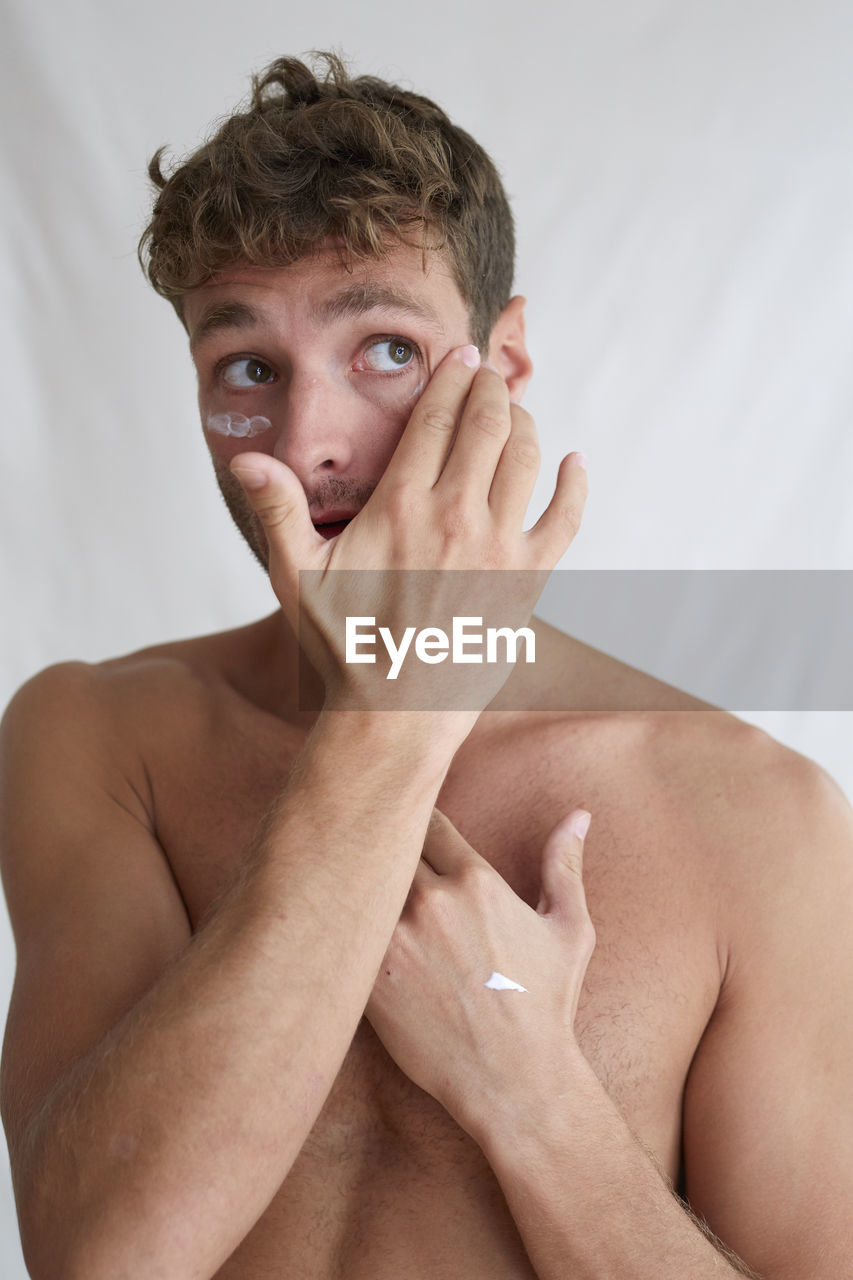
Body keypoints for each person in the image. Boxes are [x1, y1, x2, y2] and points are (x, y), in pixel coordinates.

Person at [1, 51, 851, 1280]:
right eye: (248, 368)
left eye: (385, 349)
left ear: (503, 364)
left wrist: (536, 1098)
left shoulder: (759, 816)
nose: (308, 442)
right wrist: (390, 717)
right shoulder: (97, 735)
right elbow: (101, 1256)